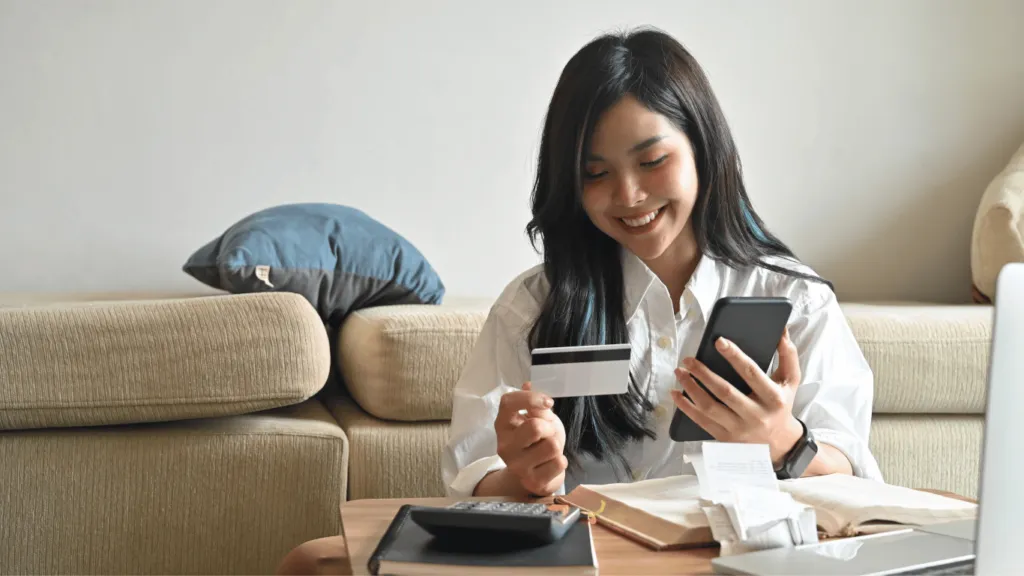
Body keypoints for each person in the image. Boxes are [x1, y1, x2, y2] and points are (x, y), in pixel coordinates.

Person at [441, 27, 883, 500]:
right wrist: (526, 477)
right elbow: (469, 475)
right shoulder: (532, 308)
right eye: (596, 174)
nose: (629, 196)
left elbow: (854, 477)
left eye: (651, 161)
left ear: (703, 149)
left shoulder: (796, 300)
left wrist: (781, 441)